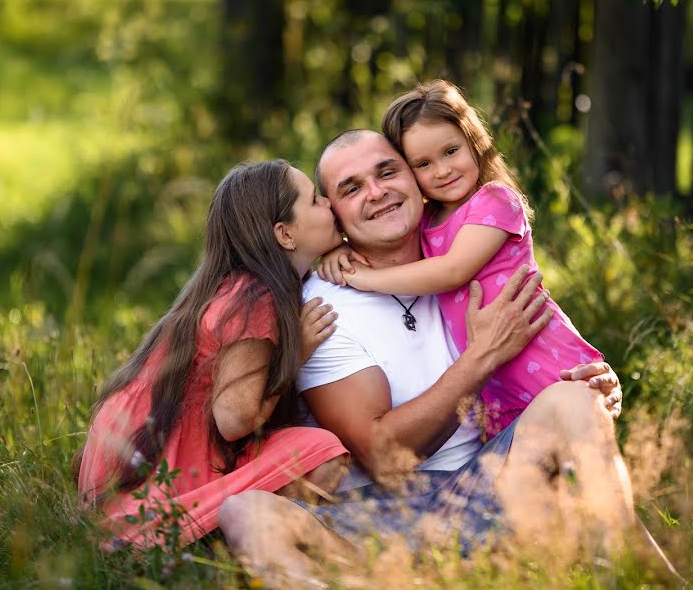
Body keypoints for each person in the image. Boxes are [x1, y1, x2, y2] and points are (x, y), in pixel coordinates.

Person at [218, 131, 643, 586]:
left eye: (387, 172)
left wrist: (590, 384)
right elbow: (383, 458)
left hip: (484, 489)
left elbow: (547, 351)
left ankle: (626, 573)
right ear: (335, 214)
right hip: (372, 520)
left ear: (418, 180)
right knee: (246, 511)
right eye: (352, 188)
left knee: (573, 398)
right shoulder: (325, 308)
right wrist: (481, 357)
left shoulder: (462, 256)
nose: (377, 192)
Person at [77, 160, 349, 547]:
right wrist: (296, 355)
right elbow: (234, 420)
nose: (331, 205)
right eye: (316, 200)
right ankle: (213, 535)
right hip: (173, 468)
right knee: (324, 453)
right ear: (285, 234)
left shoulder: (234, 285)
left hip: (151, 458)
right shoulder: (255, 299)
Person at [319, 80, 604, 438]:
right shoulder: (425, 219)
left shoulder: (496, 201)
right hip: (499, 390)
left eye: (451, 151)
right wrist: (338, 246)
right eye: (423, 163)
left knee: (581, 452)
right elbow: (383, 225)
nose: (442, 170)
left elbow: (452, 270)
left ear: (475, 143)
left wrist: (360, 277)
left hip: (544, 361)